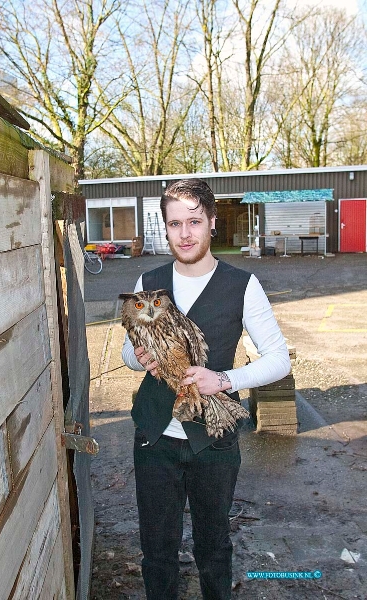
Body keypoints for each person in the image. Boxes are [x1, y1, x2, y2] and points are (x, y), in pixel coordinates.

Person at [121, 178, 291, 599]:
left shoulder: (242, 284)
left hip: (214, 443)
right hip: (155, 438)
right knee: (157, 551)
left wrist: (223, 380)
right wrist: (138, 357)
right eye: (174, 223)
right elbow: (128, 349)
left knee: (213, 548)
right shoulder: (151, 278)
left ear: (212, 222)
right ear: (165, 227)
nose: (184, 233)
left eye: (194, 221)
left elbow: (278, 359)